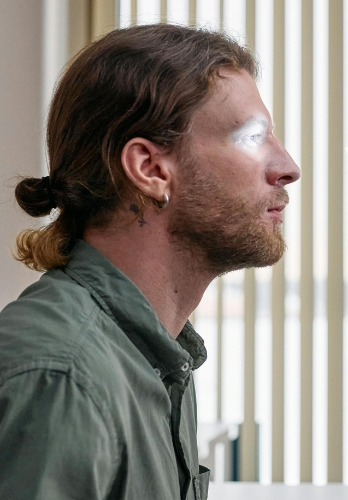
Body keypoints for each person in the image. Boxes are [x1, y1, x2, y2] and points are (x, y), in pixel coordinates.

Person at [0, 25, 299, 500]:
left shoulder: (158, 356)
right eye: (253, 137)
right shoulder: (61, 378)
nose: (288, 167)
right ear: (151, 170)